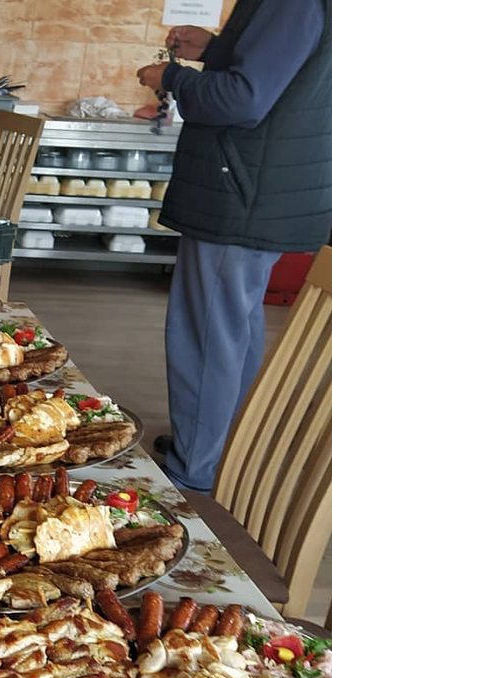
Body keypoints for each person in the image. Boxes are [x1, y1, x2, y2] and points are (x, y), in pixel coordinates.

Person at [135, 0, 330, 492]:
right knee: (232, 326)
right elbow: (279, 71)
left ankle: (194, 469)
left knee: (206, 333)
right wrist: (216, 51)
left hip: (242, 188)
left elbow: (243, 99)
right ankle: (214, 447)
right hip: (259, 185)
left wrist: (172, 78)